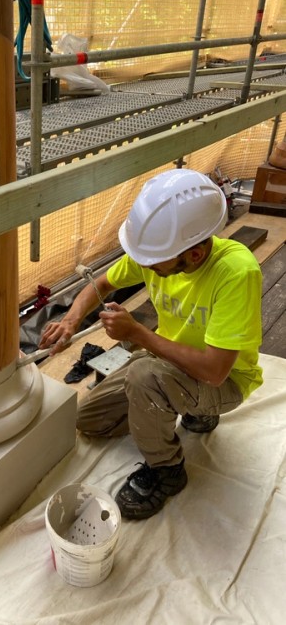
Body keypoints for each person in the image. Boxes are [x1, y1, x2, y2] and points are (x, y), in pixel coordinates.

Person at [39, 169, 263, 520]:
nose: (142, 264)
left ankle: (167, 470)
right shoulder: (157, 255)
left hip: (225, 380)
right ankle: (179, 407)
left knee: (143, 374)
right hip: (169, 363)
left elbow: (215, 371)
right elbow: (101, 282)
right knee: (90, 420)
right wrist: (70, 320)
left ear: (195, 254)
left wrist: (138, 335)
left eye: (151, 260)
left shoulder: (236, 273)